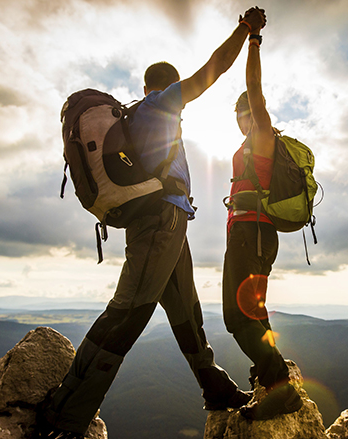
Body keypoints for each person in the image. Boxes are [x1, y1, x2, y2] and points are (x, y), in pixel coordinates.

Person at [38, 8, 267, 439]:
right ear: (162, 87)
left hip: (170, 223)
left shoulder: (141, 116)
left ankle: (214, 386)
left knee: (187, 312)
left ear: (143, 85)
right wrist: (246, 31)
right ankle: (65, 414)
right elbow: (211, 72)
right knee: (127, 313)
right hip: (160, 224)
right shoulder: (159, 105)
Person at [222, 13, 304, 420]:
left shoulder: (263, 134)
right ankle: (270, 379)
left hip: (250, 233)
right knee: (254, 313)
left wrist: (253, 39)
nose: (243, 119)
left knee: (235, 317)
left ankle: (279, 391)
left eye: (245, 113)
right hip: (255, 234)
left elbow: (255, 89)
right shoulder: (253, 145)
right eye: (240, 115)